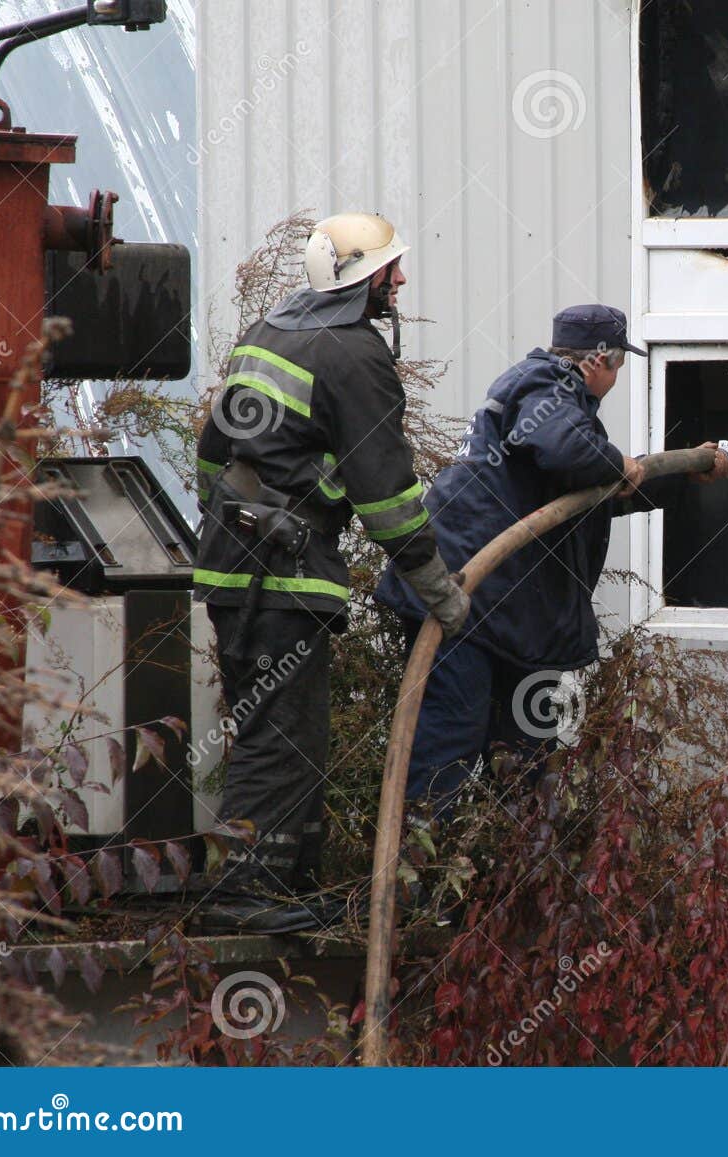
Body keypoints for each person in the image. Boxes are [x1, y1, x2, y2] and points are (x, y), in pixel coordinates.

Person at [192, 212, 469, 933]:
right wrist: (441, 592)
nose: (400, 280)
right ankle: (239, 896)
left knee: (292, 733)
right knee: (279, 735)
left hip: (232, 567)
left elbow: (212, 454)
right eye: (389, 270)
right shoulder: (354, 354)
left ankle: (285, 891)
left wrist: (229, 530)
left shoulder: (268, 333)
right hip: (283, 578)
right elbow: (387, 492)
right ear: (356, 278)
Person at [374, 305, 728, 815]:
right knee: (449, 741)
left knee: (523, 757)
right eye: (619, 365)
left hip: (506, 615)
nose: (617, 376)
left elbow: (584, 492)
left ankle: (507, 879)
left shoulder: (555, 400)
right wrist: (617, 462)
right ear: (599, 360)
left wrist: (679, 478)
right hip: (466, 602)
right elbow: (568, 454)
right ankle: (414, 883)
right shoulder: (546, 384)